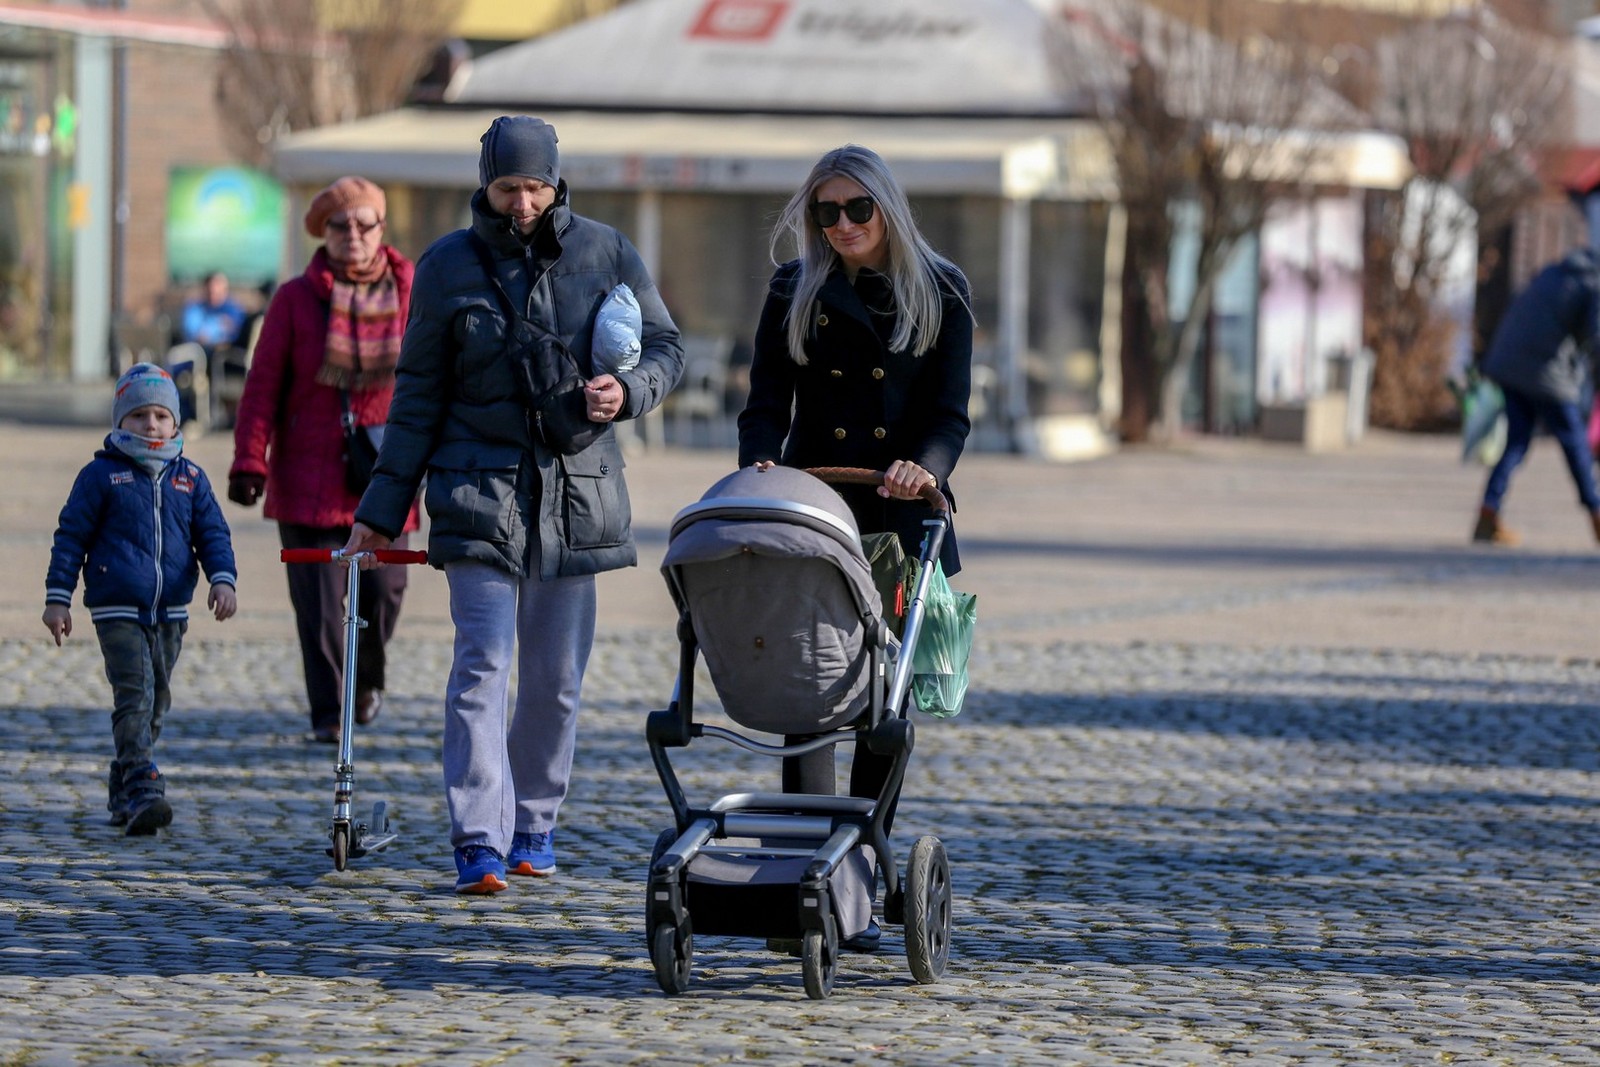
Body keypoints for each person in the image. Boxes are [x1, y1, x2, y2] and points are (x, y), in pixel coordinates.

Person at [342, 116, 683, 894]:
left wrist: (627, 390)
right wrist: (382, 505)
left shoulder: (606, 251)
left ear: (556, 182)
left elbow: (666, 347)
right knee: (481, 666)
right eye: (507, 187)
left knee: (556, 678)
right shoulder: (446, 267)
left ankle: (533, 824)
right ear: (485, 186)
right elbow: (419, 394)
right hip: (476, 491)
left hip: (578, 494)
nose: (523, 202)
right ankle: (478, 839)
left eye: (535, 186)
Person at [737, 144, 973, 950]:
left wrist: (925, 468)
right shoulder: (791, 289)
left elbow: (949, 414)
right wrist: (760, 461)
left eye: (856, 209)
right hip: (814, 509)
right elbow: (765, 398)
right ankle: (808, 867)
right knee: (805, 686)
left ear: (887, 209)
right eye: (825, 212)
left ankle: (860, 870)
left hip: (902, 519)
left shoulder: (941, 291)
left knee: (883, 706)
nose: (840, 225)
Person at [228, 176, 419, 743]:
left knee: (386, 591)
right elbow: (261, 385)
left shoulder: (414, 291)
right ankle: (327, 712)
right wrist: (248, 461)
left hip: (386, 472)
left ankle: (366, 682)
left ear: (382, 230)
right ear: (323, 232)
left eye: (365, 224)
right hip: (308, 473)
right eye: (341, 225)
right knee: (317, 607)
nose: (353, 236)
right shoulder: (294, 298)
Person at [43, 363, 238, 835]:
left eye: (160, 416)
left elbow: (212, 533)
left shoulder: (189, 478)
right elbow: (71, 537)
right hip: (117, 607)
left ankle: (124, 781)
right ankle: (144, 783)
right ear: (119, 422)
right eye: (138, 416)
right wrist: (58, 598)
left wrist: (222, 579)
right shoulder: (102, 475)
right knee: (135, 693)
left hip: (170, 607)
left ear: (175, 423)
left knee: (158, 700)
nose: (151, 425)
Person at [1472, 245, 1600, 546]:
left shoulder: (1554, 273)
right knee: (1576, 445)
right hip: (1545, 373)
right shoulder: (1594, 284)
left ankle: (1488, 513)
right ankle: (1597, 514)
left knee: (1516, 441)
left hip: (1508, 362)